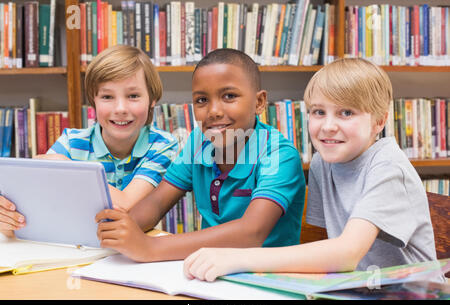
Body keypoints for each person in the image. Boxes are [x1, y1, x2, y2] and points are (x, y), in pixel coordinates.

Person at [183, 57, 440, 282]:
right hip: (359, 289)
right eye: (318, 111)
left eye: (346, 113)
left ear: (380, 121)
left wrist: (236, 258)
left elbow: (346, 253)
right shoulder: (323, 162)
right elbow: (328, 247)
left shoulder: (388, 167)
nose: (328, 126)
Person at [94, 48, 306, 262]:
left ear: (259, 102)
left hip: (264, 277)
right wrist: (121, 231)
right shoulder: (198, 142)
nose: (213, 111)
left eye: (229, 96)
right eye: (202, 100)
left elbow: (250, 233)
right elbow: (157, 203)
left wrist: (150, 247)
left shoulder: (280, 155)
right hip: (207, 271)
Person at [0, 45, 178, 237]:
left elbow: (127, 204)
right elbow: (35, 208)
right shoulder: (71, 141)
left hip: (135, 248)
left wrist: (68, 169)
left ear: (152, 99)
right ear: (94, 101)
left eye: (133, 96)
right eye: (107, 96)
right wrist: (9, 220)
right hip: (77, 245)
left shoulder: (162, 145)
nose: (120, 108)